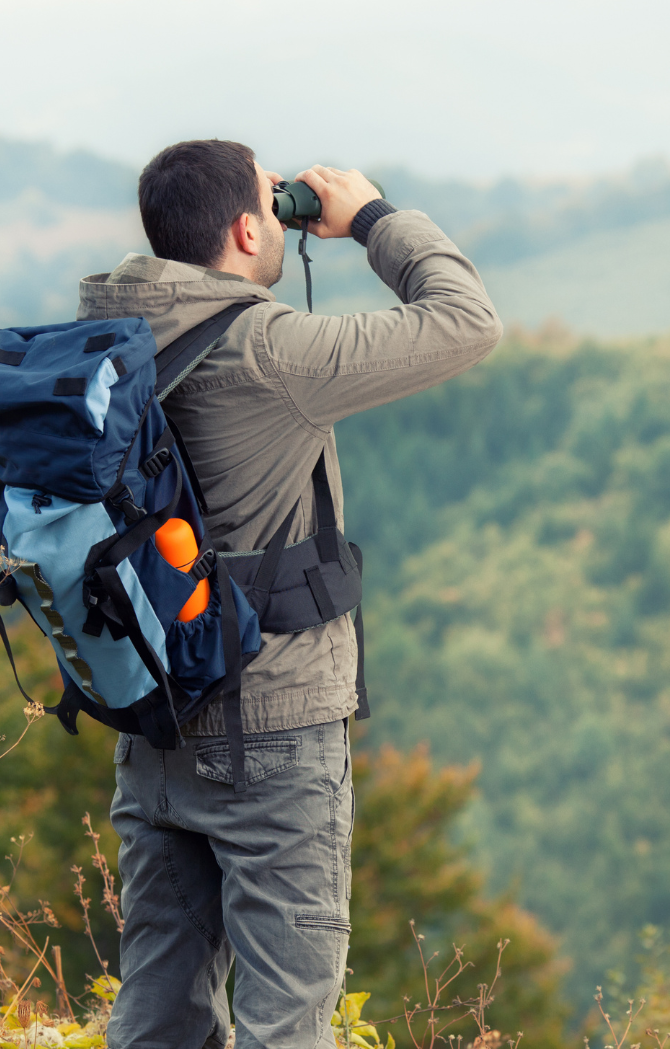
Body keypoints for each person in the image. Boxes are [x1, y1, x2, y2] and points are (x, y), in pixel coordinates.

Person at [76, 139, 503, 1049]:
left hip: (153, 718)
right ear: (243, 230)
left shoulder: (108, 341)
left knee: (158, 1004)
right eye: (270, 206)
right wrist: (372, 219)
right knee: (287, 1017)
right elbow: (467, 321)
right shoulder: (268, 350)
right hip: (270, 727)